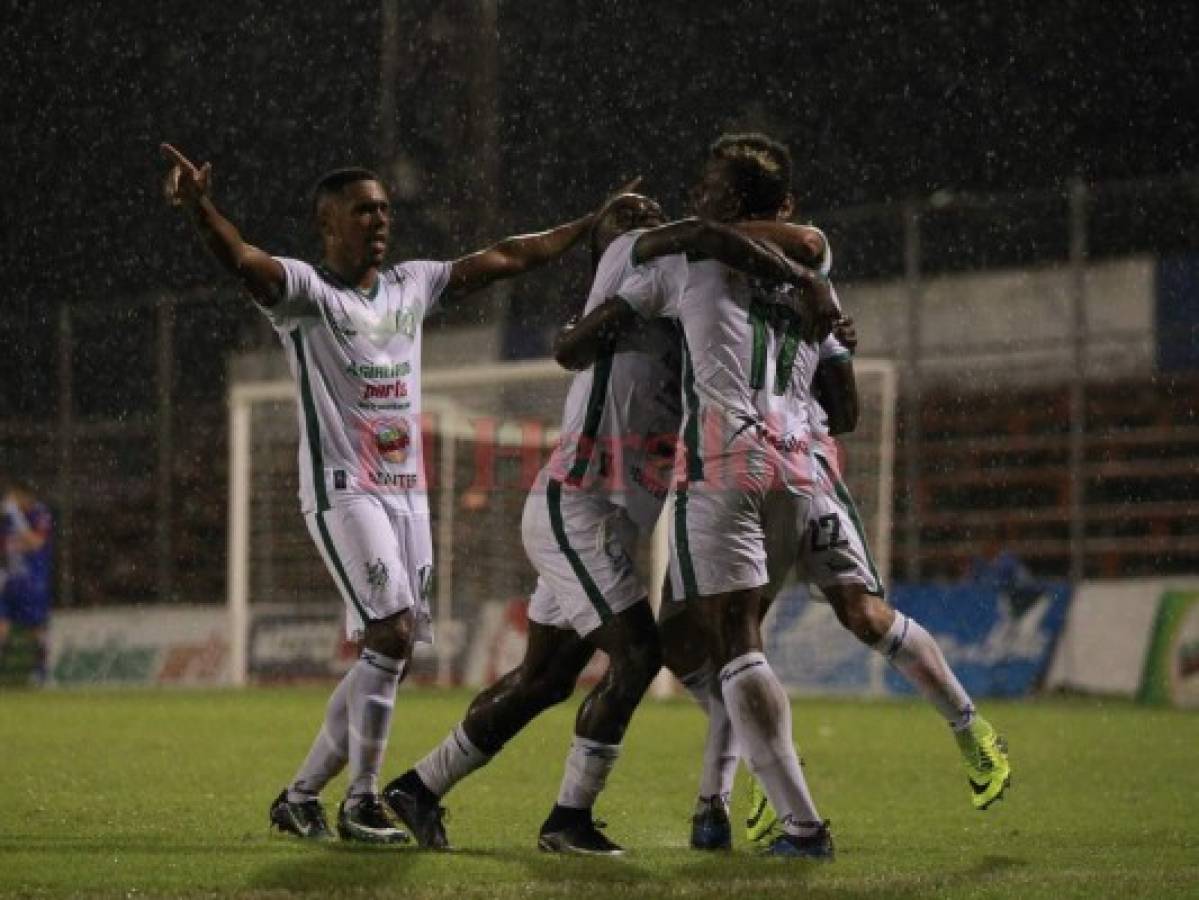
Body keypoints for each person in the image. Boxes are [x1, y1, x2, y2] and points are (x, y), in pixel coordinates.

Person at [160, 142, 633, 845]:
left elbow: (504, 256)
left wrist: (589, 225)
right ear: (327, 224)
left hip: (407, 496)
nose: (379, 221)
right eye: (362, 212)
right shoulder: (305, 294)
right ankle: (360, 802)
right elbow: (242, 260)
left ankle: (298, 797)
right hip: (343, 490)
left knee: (395, 648)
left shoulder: (412, 283)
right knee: (389, 632)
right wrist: (202, 211)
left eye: (383, 210)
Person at [382, 192, 830, 854]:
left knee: (544, 681)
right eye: (626, 210)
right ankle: (568, 818)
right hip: (576, 503)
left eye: (649, 206)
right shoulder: (628, 253)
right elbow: (716, 241)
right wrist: (804, 274)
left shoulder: (679, 305)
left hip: (611, 521)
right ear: (604, 239)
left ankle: (417, 789)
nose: (644, 213)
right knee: (638, 653)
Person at [656, 133, 1009, 857]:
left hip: (726, 463)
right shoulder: (814, 268)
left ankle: (784, 816)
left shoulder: (690, 255)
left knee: (722, 641)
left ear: (731, 203)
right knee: (864, 612)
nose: (699, 200)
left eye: (710, 188)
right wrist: (812, 317)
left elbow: (669, 248)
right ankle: (969, 725)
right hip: (808, 464)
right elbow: (844, 409)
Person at [0, 479, 53, 685]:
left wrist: (16, 515)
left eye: (13, 496)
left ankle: (42, 671)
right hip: (10, 582)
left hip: (33, 582)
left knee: (36, 629)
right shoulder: (6, 520)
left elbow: (35, 543)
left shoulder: (39, 514)